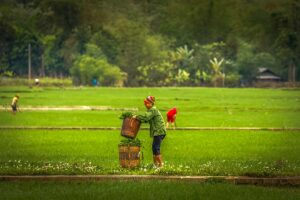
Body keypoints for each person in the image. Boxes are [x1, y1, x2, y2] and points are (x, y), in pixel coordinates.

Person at [134, 96, 166, 168]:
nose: (146, 104)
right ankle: (155, 165)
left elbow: (146, 117)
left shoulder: (153, 110)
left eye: (147, 103)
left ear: (151, 104)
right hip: (157, 131)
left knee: (156, 148)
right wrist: (138, 119)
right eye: (145, 103)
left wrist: (137, 117)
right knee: (154, 147)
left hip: (159, 131)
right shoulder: (150, 111)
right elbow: (146, 120)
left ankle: (161, 165)